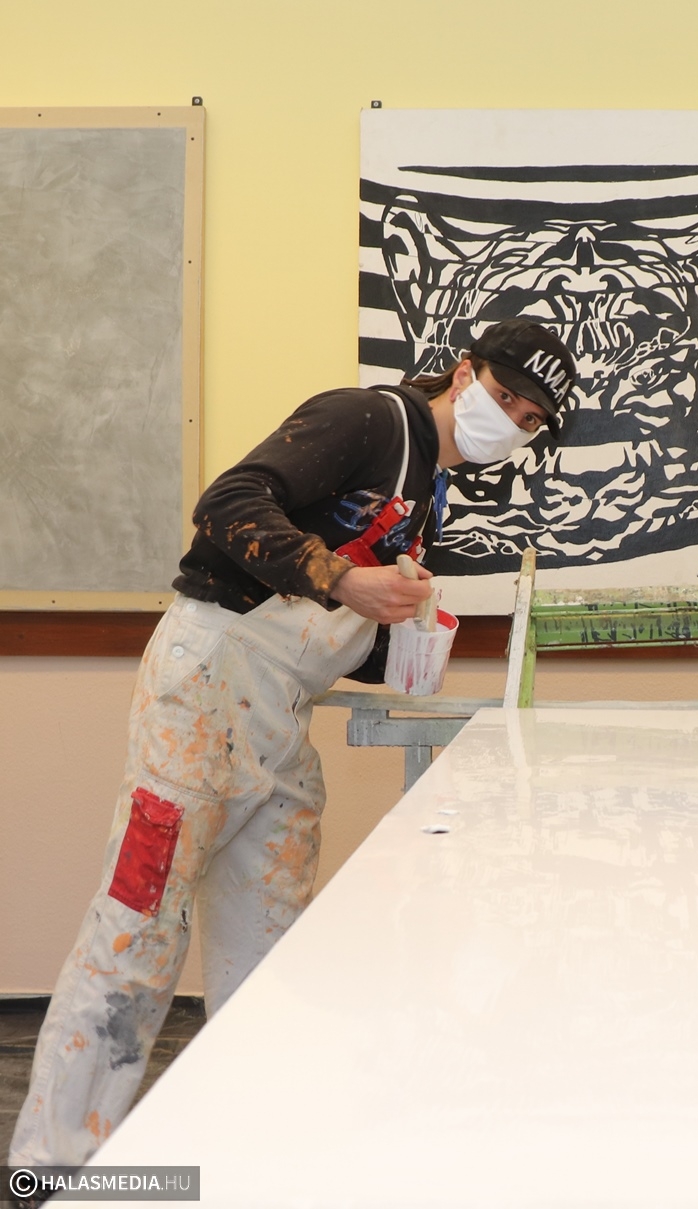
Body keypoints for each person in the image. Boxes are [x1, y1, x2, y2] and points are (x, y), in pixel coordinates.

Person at [9, 318, 576, 1168]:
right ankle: (52, 1166)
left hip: (278, 720)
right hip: (201, 694)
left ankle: (249, 1159)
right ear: (464, 373)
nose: (512, 423)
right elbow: (228, 504)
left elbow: (329, 625)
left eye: (530, 420)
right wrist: (346, 578)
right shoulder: (370, 419)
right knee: (137, 928)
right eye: (505, 397)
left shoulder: (428, 492)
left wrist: (402, 642)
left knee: (270, 943)